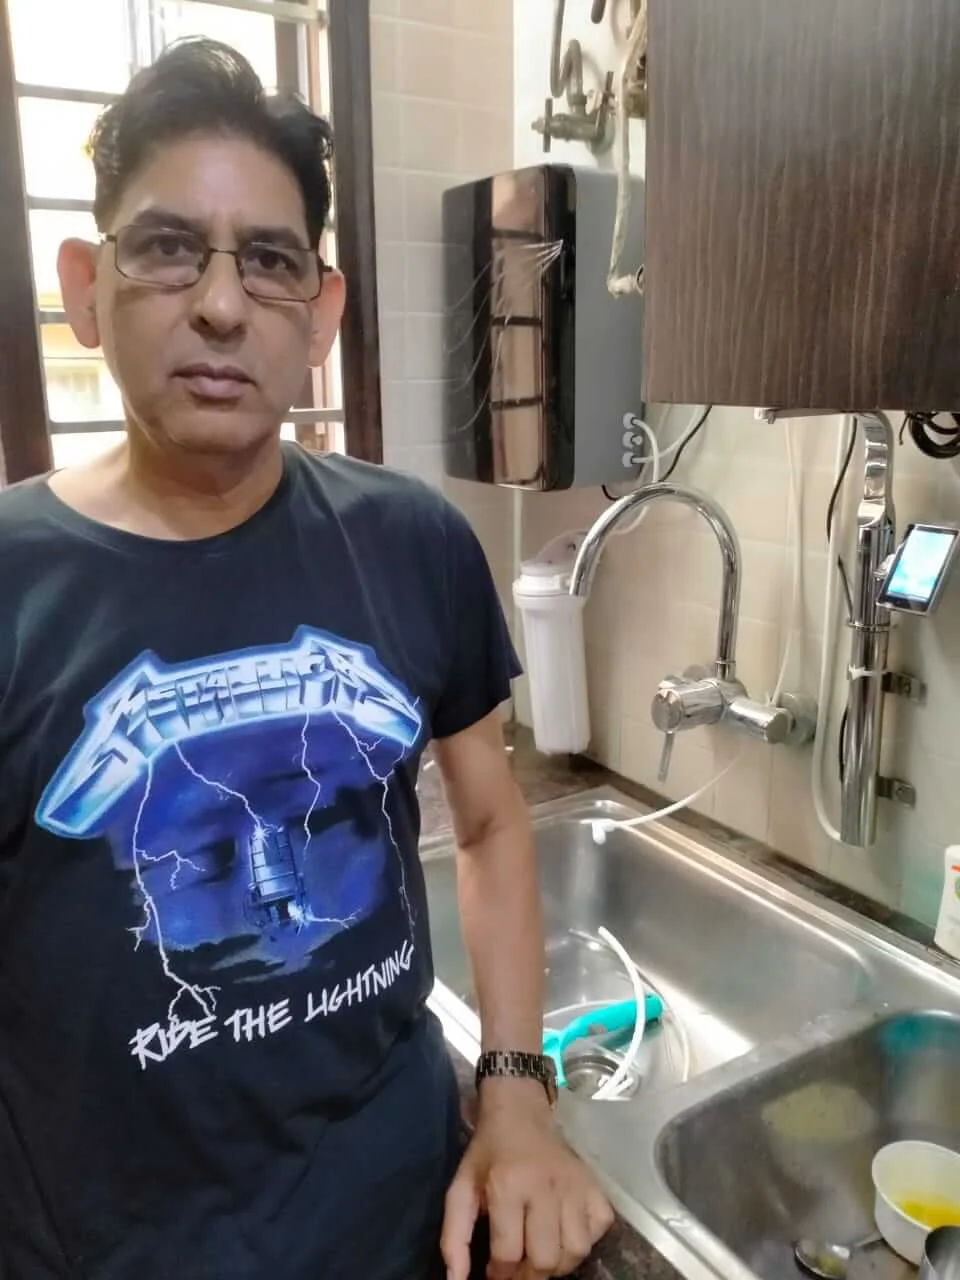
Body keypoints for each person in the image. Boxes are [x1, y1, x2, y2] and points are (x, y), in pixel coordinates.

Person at [0, 37, 614, 1280]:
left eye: (270, 260)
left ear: (322, 315)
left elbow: (491, 821)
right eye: (167, 247)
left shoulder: (414, 541)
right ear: (85, 285)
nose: (221, 306)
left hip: (407, 1230)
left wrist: (514, 1087)